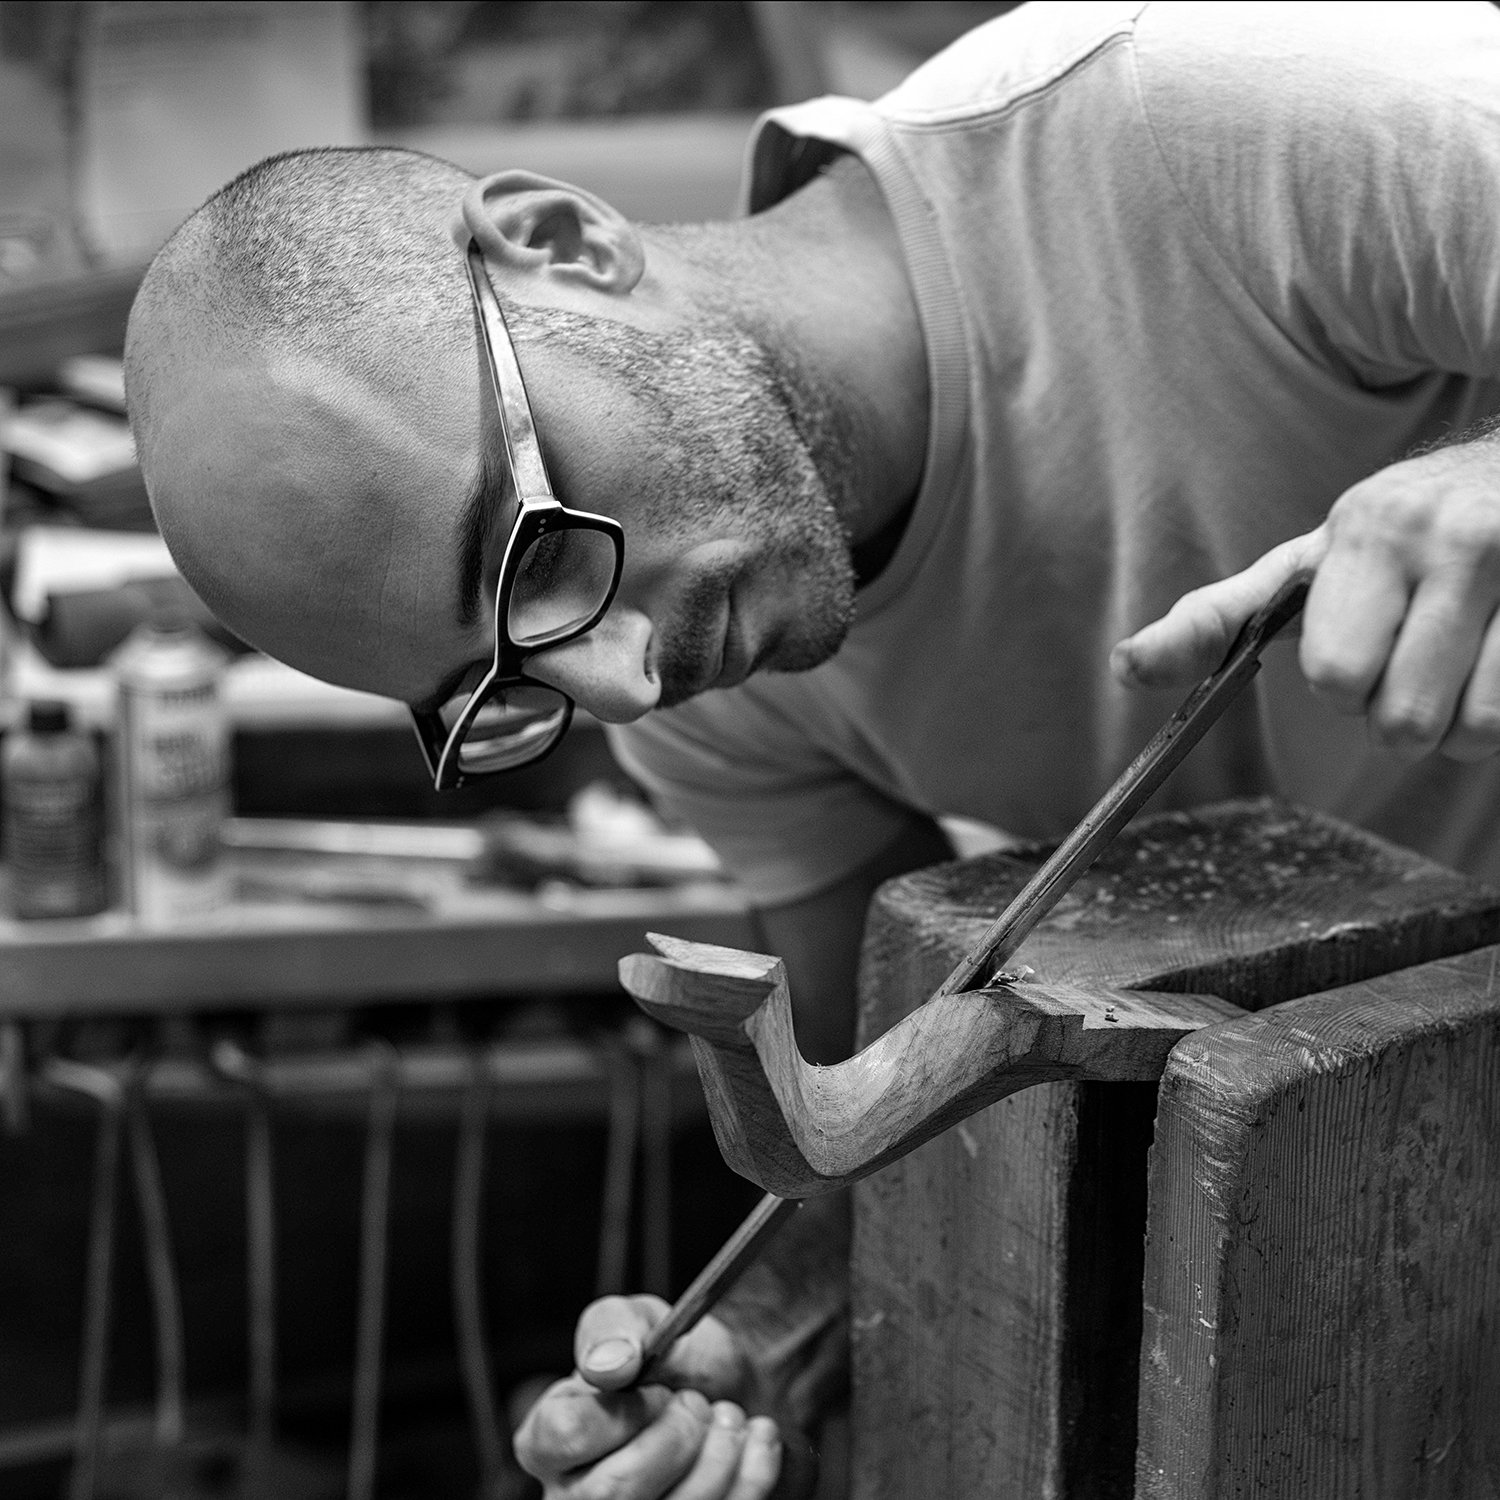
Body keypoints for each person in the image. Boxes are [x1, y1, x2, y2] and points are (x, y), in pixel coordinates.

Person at [124, 2, 1500, 1493]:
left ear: (561, 245)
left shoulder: (1204, 128)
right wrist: (767, 1341)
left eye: (525, 557)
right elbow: (879, 1120)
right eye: (497, 681)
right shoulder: (719, 668)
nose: (629, 687)